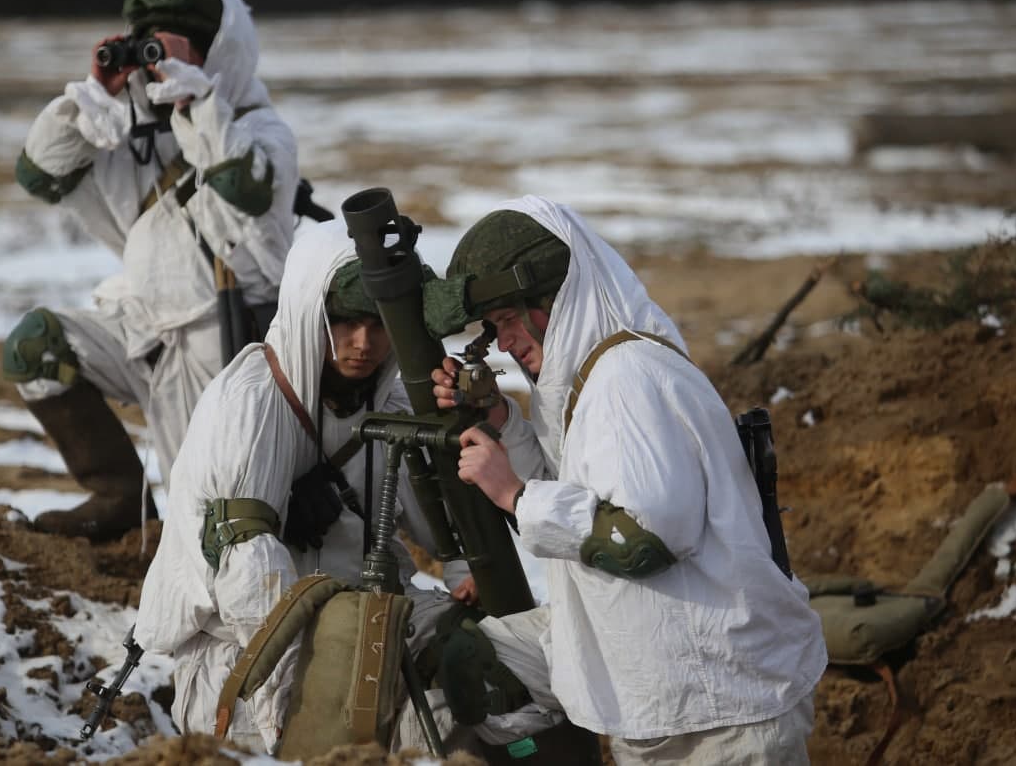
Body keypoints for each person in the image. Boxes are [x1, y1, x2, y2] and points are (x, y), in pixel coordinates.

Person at [430, 196, 827, 765]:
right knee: (474, 662)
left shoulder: (626, 380)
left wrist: (515, 496)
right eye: (494, 328)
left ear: (555, 299)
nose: (506, 342)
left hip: (722, 718)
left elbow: (647, 539)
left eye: (511, 320)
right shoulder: (596, 377)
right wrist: (502, 423)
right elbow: (582, 494)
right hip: (672, 695)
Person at [133, 221, 472, 751]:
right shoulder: (251, 405)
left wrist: (465, 431)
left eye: (379, 324)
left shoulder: (388, 399)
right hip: (248, 663)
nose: (364, 344)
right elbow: (250, 584)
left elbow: (440, 532)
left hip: (369, 627)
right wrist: (289, 726)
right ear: (311, 313)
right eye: (344, 322)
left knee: (482, 667)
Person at [1, 0, 298, 541]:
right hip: (145, 325)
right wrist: (95, 96)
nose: (159, 59)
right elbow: (39, 175)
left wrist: (199, 101)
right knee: (36, 350)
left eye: (181, 43)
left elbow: (246, 189)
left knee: (212, 513)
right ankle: (115, 495)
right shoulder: (131, 133)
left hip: (227, 335)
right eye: (151, 42)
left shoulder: (261, 130)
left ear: (221, 51)